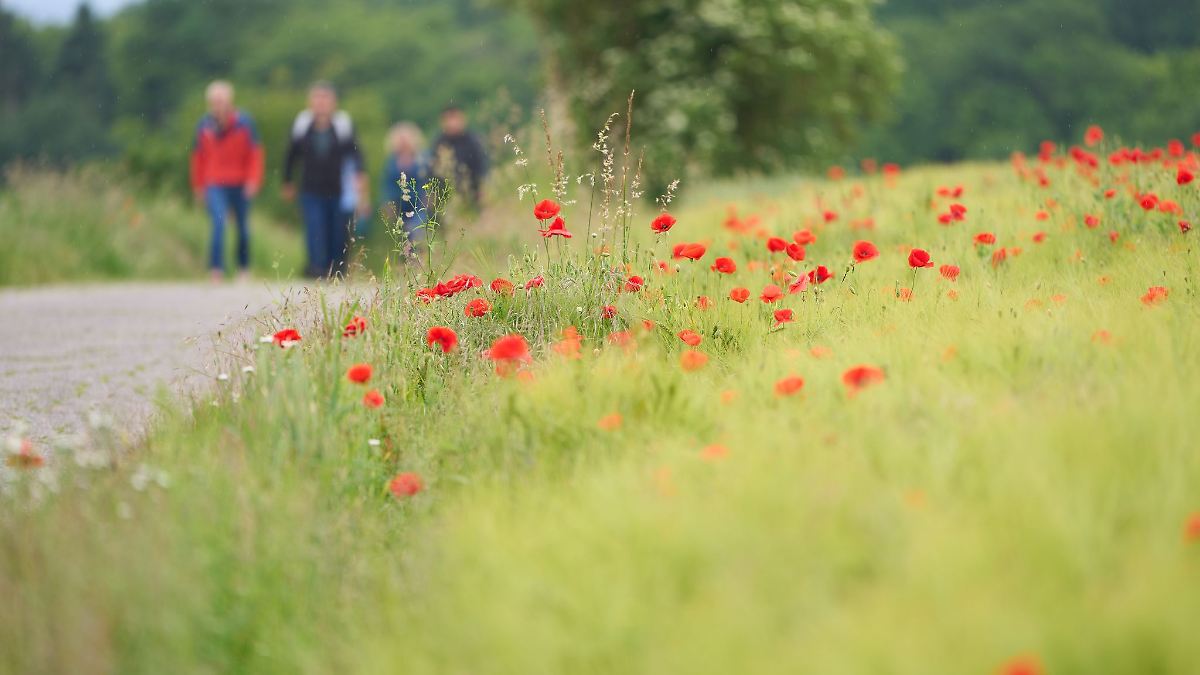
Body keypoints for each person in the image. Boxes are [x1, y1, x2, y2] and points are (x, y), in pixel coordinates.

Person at [282, 82, 367, 278]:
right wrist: (287, 181)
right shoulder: (303, 125)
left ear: (333, 102)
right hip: (310, 188)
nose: (321, 104)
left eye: (325, 99)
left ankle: (337, 269)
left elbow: (356, 154)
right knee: (315, 228)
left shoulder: (342, 125)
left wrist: (359, 177)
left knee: (338, 231)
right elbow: (291, 155)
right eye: (317, 99)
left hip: (338, 189)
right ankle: (316, 269)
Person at [190, 80, 264, 283]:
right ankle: (216, 269)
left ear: (230, 101)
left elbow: (255, 154)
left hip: (240, 182)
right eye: (213, 101)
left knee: (242, 227)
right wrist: (198, 186)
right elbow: (198, 158)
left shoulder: (245, 123)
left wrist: (253, 180)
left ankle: (243, 267)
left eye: (221, 101)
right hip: (214, 183)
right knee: (219, 222)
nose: (217, 105)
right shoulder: (204, 126)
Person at [379, 122, 432, 246]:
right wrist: (386, 203)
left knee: (417, 231)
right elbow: (386, 185)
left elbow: (429, 181)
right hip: (399, 207)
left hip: (420, 204)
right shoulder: (391, 162)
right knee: (403, 238)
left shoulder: (423, 159)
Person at [431, 104, 488, 209]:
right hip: (446, 194)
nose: (452, 123)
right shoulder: (439, 143)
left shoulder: (473, 141)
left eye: (455, 118)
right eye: (448, 119)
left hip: (473, 191)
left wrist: (481, 188)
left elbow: (482, 167)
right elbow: (433, 171)